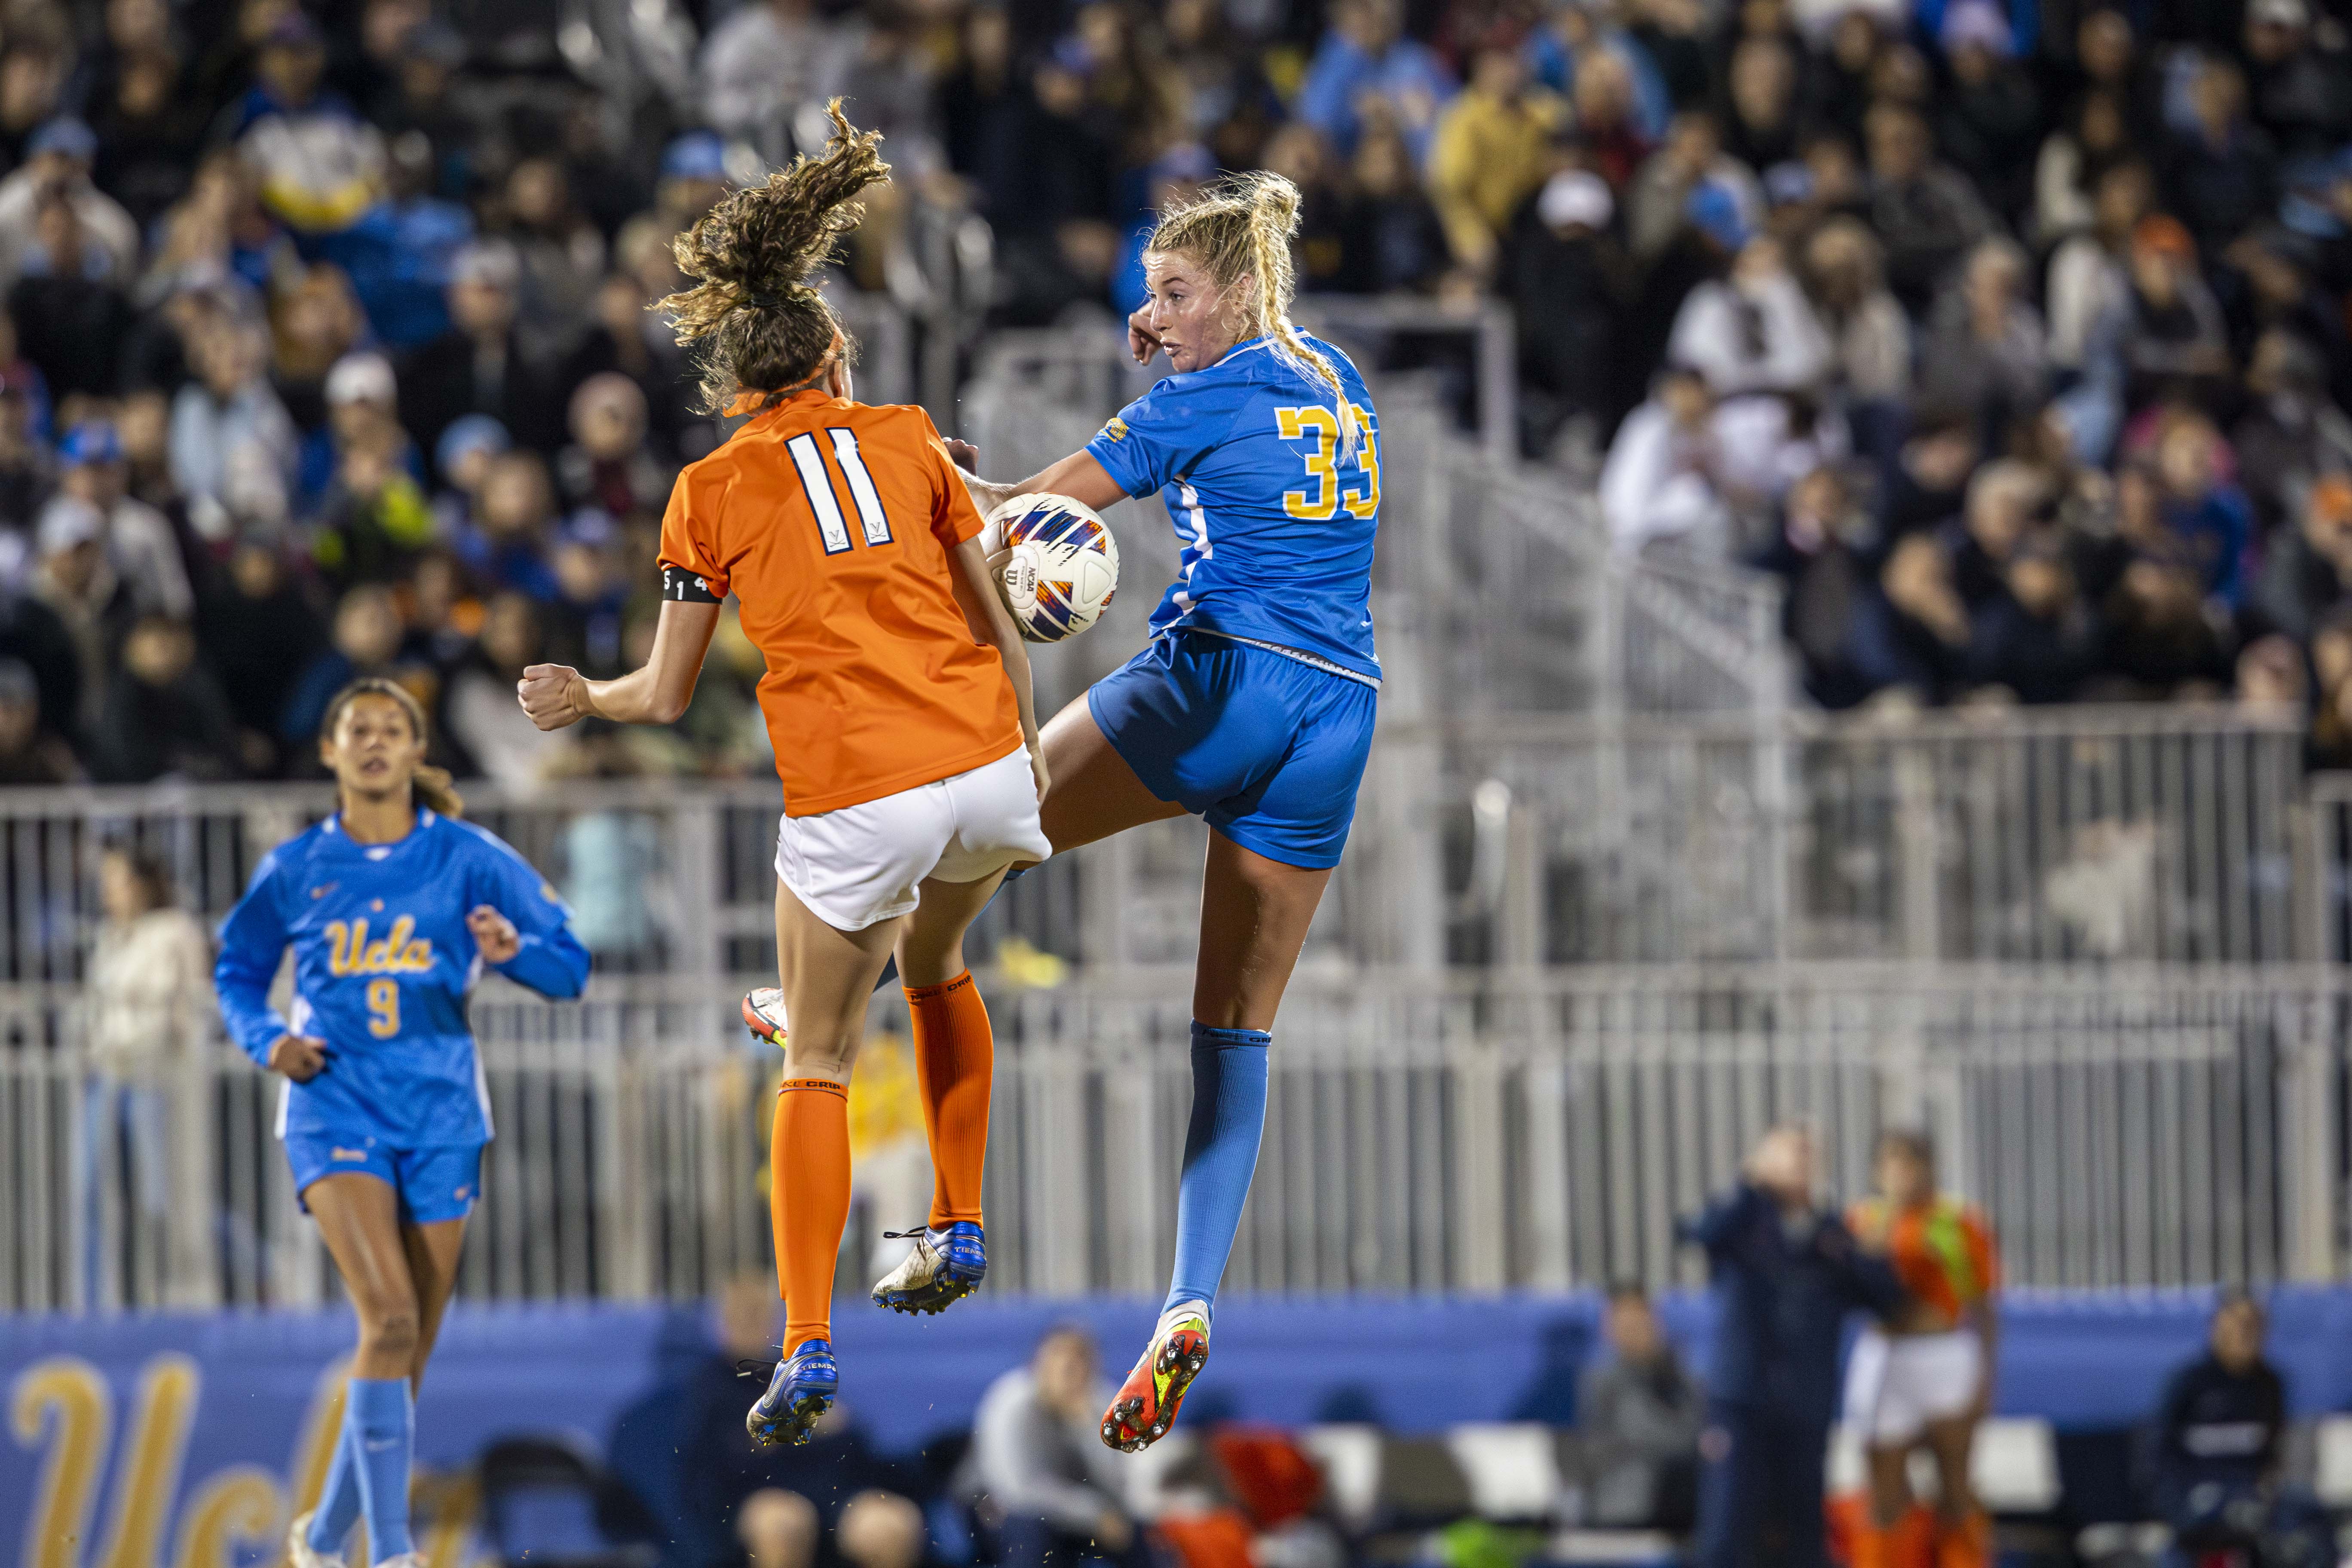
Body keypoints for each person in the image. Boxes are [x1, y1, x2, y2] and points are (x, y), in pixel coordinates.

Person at [515, 105, 1047, 1449]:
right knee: (939, 970)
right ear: (831, 352)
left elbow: (671, 693)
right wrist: (1021, 748)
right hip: (984, 759)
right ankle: (963, 1218)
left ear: (731, 379)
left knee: (813, 1056)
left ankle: (808, 1343)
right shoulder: (919, 436)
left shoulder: (706, 487)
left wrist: (589, 697)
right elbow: (996, 610)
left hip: (858, 785)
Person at [949, 166, 1383, 1454]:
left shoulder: (1193, 399)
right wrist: (1175, 336)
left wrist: (937, 480)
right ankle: (1189, 1300)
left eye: (1174, 295)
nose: (1153, 321)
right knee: (1234, 1034)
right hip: (1341, 708)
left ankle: (828, 991)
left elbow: (1026, 519)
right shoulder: (1343, 381)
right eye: (1147, 300)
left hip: (1224, 677)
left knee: (998, 815)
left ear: (1238, 291)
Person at [215, 676, 590, 1568]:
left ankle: (321, 1534)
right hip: (333, 1105)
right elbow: (234, 972)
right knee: (386, 1319)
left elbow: (570, 968)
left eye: (393, 729)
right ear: (329, 751)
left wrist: (516, 954)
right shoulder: (296, 866)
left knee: (407, 1343)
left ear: (418, 752)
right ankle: (389, 1552)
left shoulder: (471, 856)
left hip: (443, 1113)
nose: (376, 742)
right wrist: (269, 1039)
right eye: (358, 728)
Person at [1679, 1124, 1903, 1568]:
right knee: (1728, 1528)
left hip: (1804, 1403)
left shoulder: (1833, 1234)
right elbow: (1700, 1234)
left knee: (1803, 1535)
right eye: (1786, 1154)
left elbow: (1887, 1298)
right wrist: (1749, 1185)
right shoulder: (1744, 1221)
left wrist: (1867, 1251)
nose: (1796, 1165)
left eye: (1805, 1155)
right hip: (1740, 1399)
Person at [1843, 1131, 2002, 1568]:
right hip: (1887, 1359)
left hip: (1944, 1355)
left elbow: (1984, 1306)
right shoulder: (1862, 1221)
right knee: (1884, 1492)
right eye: (1891, 1163)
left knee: (1955, 1485)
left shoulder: (1957, 1222)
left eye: (1911, 1162)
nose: (1902, 1173)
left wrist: (1985, 1379)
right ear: (1877, 1172)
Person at [80, 845, 214, 1308]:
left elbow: (187, 1000)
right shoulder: (109, 935)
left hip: (156, 1075)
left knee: (164, 1197)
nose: (107, 891)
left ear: (139, 883)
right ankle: (95, 1305)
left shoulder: (174, 930)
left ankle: (172, 1295)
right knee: (92, 1192)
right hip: (107, 1074)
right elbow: (100, 1004)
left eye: (115, 880)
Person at [2148, 1292, 2331, 1568]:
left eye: (2253, 1327)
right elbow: (2160, 1456)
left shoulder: (2270, 1384)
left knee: (2306, 1520)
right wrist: (2181, 1504)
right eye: (2238, 1325)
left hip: (2252, 1495)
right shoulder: (2190, 1382)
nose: (2246, 1335)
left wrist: (2267, 1491)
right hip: (2199, 1496)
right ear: (2218, 1328)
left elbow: (2277, 1452)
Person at [968, 1325, 1147, 1568]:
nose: (1068, 1366)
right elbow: (1017, 1492)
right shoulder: (1010, 1401)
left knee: (1138, 1531)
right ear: (1037, 1363)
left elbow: (1122, 1490)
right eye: (1059, 1355)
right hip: (998, 1510)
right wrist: (1095, 1516)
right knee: (1030, 1529)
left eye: (1079, 1358)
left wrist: (1084, 1427)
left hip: (1078, 1516)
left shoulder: (1102, 1402)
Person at [1578, 1285, 1703, 1530]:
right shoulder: (1605, 1381)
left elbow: (1701, 1419)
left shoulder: (1675, 1372)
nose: (1637, 1331)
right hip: (1629, 1504)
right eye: (1627, 1323)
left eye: (1643, 1321)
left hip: (1681, 1498)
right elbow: (1647, 1432)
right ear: (1610, 1329)